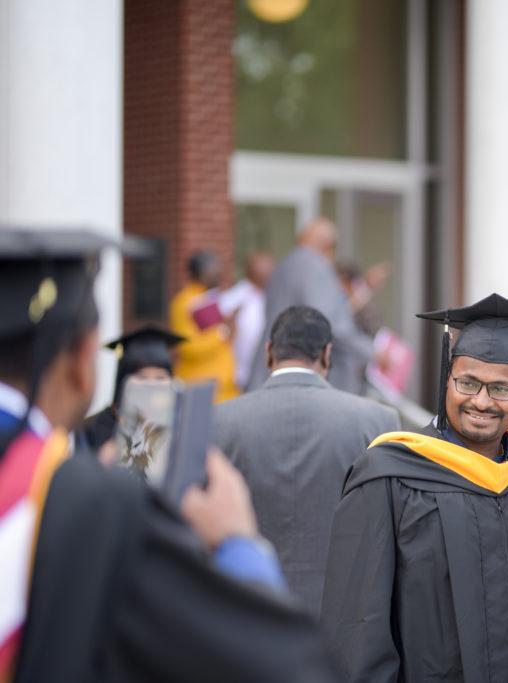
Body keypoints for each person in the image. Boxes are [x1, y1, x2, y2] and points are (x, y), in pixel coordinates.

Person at [0, 229, 340, 681]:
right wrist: (239, 544)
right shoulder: (89, 501)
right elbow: (286, 669)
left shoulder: (71, 482)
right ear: (83, 363)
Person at [318, 293, 508, 682]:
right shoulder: (389, 474)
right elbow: (357, 624)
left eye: (501, 389)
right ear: (446, 380)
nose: (481, 401)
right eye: (467, 383)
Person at [213, 305, 400, 616]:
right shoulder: (377, 421)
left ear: (269, 352)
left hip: (246, 610)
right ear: (327, 354)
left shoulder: (219, 421)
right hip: (346, 616)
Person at [248, 218, 376, 395]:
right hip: (301, 377)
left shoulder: (285, 265)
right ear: (327, 245)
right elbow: (328, 322)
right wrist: (371, 351)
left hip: (270, 371)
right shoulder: (314, 267)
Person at [79, 325, 184, 452]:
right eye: (142, 378)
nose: (151, 385)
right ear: (124, 380)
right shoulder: (93, 428)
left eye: (160, 378)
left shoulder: (181, 424)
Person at [169, 249, 239, 402]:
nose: (219, 272)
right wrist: (223, 332)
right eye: (214, 267)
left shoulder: (217, 297)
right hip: (200, 391)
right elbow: (188, 347)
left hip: (225, 390)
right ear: (200, 271)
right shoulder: (186, 303)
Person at [219, 251, 275, 391]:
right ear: (251, 270)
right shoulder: (234, 297)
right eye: (266, 267)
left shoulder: (277, 294)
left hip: (269, 372)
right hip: (240, 375)